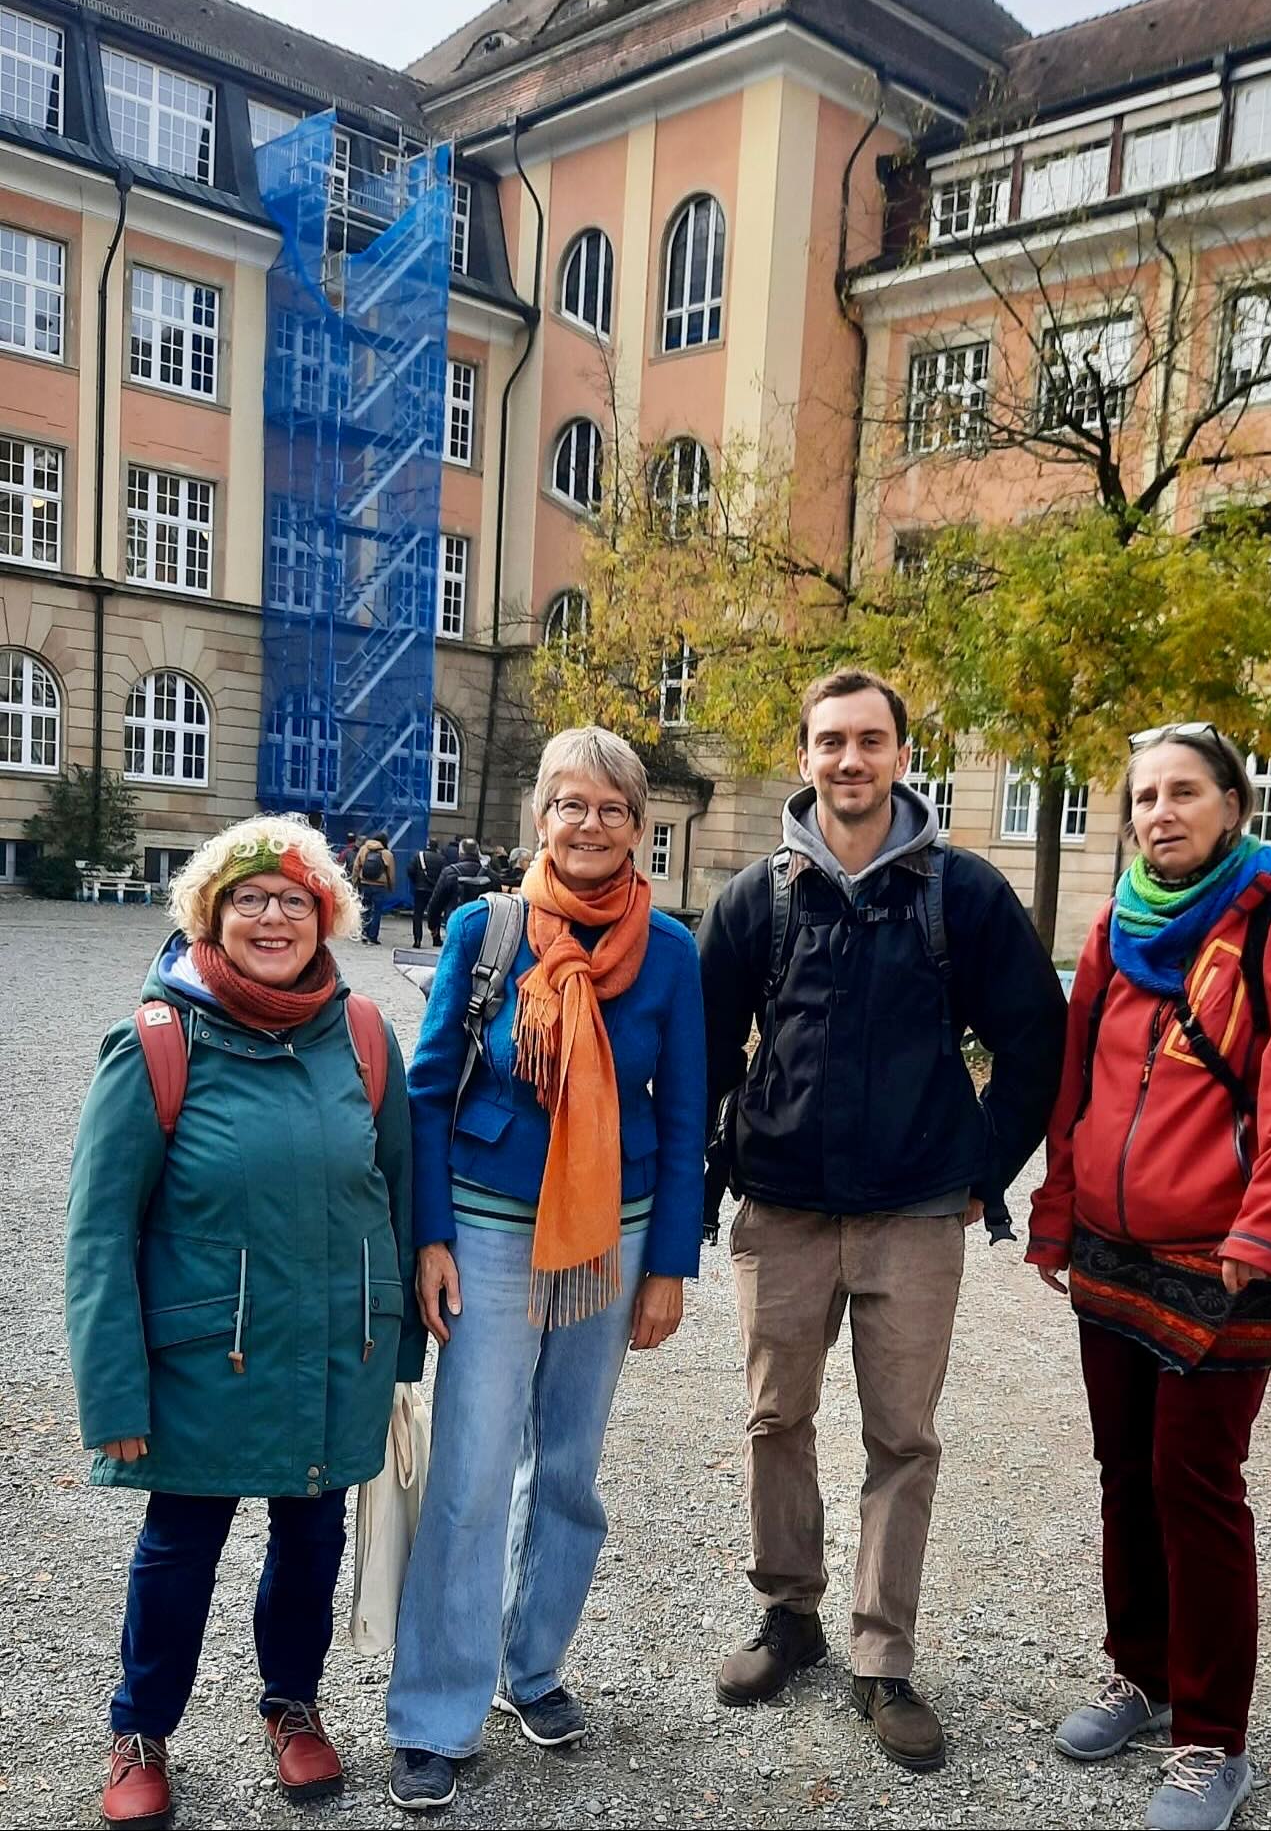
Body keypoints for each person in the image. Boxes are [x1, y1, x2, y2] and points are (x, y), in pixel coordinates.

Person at [699, 669, 1066, 1772]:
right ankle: (790, 1614)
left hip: (914, 1212)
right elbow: (705, 1051)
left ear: (904, 755)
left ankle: (882, 1655)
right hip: (784, 1209)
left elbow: (1035, 1040)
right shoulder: (758, 897)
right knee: (776, 1418)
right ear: (804, 756)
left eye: (870, 740)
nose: (849, 759)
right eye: (830, 741)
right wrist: (717, 1166)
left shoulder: (962, 894)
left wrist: (982, 1165)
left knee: (901, 1438)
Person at [1028, 724, 1271, 1831]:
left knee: (1195, 1482)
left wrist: (1267, 1230)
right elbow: (1078, 1078)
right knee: (1124, 1471)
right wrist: (1055, 1210)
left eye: (1184, 792)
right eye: (1144, 796)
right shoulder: (1114, 924)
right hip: (1112, 1253)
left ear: (1232, 804)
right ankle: (1142, 1673)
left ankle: (1212, 1739)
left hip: (1226, 1261)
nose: (1161, 812)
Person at [65, 816, 425, 1831]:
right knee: (181, 1543)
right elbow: (98, 1233)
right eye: (249, 898)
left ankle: (292, 1705)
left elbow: (399, 1199)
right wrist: (113, 1393)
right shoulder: (155, 1040)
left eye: (295, 899)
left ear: (326, 914)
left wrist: (397, 1350)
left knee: (311, 1535)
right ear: (210, 914)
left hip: (335, 1349)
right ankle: (140, 1731)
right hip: (204, 1358)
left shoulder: (363, 1036)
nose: (273, 917)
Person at [385, 726, 706, 1813]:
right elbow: (427, 1089)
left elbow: (685, 1114)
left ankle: (532, 1666)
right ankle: (435, 1711)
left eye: (613, 807)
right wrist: (429, 1237)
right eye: (571, 803)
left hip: (614, 1233)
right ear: (540, 817)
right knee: (473, 1469)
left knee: (567, 1464)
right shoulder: (488, 929)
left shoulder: (670, 951)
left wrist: (670, 1265)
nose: (590, 823)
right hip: (487, 1224)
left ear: (639, 826)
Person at [425, 836, 494, 944]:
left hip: (456, 923)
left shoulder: (449, 872)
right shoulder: (491, 875)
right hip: (483, 927)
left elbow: (436, 902)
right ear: (478, 852)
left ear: (460, 852)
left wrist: (432, 925)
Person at [353, 831, 395, 944]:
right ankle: (373, 937)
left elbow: (356, 867)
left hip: (365, 883)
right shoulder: (387, 854)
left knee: (365, 909)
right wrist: (391, 886)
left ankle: (363, 933)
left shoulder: (363, 849)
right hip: (380, 886)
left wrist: (355, 881)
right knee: (377, 911)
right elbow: (391, 872)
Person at [407, 837, 446, 950]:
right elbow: (445, 874)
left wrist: (416, 881)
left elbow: (410, 870)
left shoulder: (418, 856)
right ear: (437, 847)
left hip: (420, 889)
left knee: (418, 915)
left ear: (427, 845)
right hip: (435, 890)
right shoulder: (442, 859)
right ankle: (436, 939)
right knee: (435, 914)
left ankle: (417, 939)